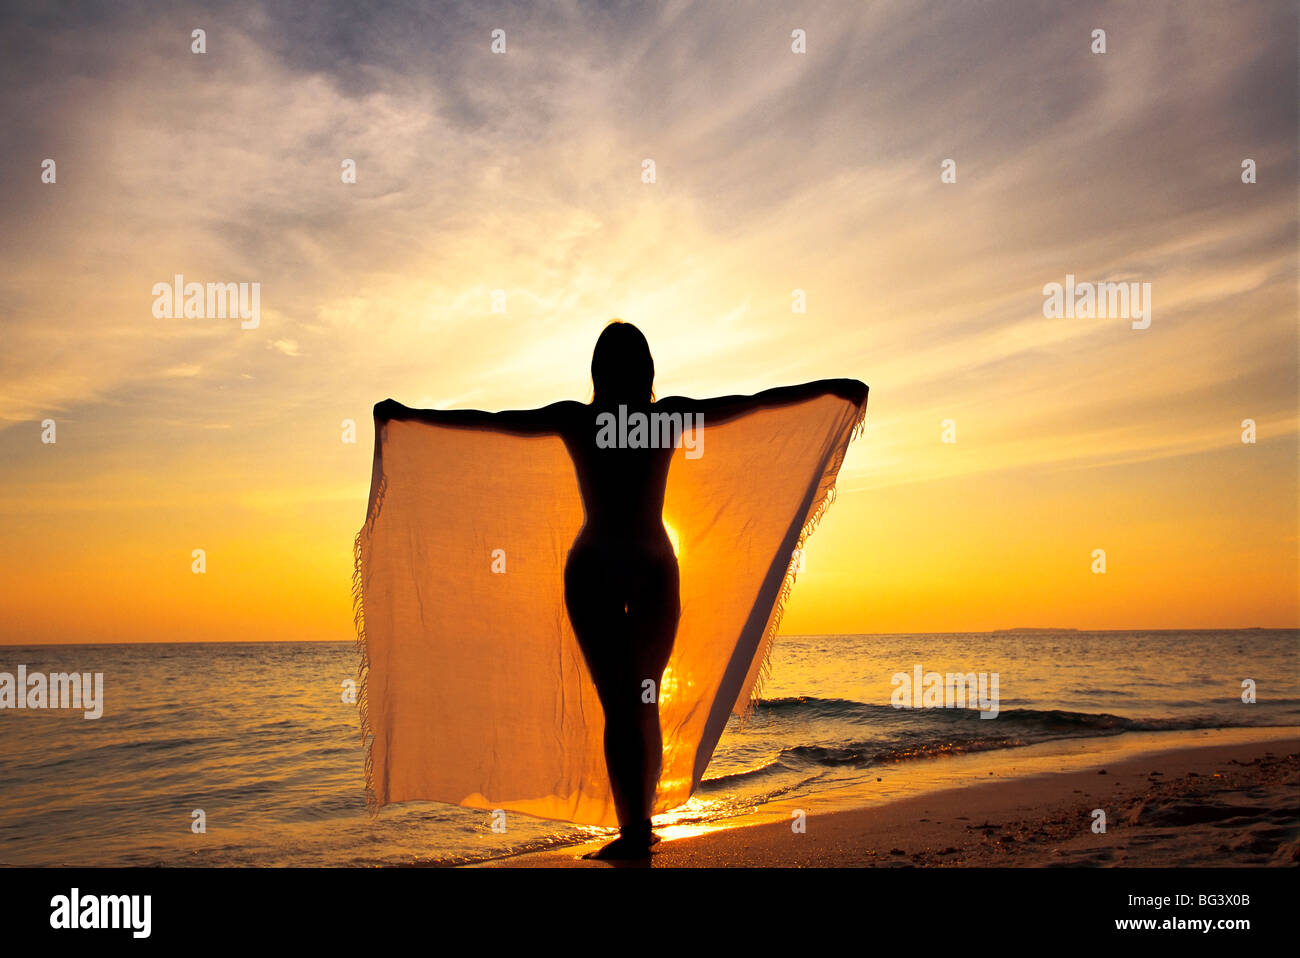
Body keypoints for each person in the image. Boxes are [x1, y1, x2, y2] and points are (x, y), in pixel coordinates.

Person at [376, 320, 866, 859]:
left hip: (610, 570)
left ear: (598, 370)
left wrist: (409, 414)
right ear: (644, 370)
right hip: (637, 570)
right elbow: (753, 401)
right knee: (639, 702)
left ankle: (636, 825)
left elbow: (491, 421)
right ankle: (636, 824)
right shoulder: (655, 417)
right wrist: (829, 388)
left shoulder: (594, 419)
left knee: (627, 705)